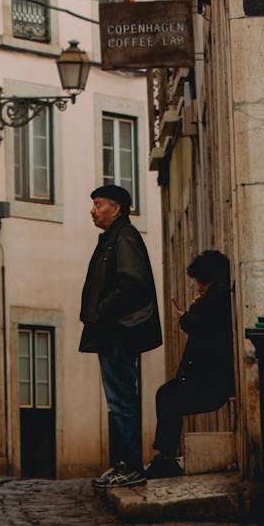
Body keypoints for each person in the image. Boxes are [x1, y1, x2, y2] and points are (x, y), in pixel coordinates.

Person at [79, 183, 162, 489]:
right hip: (112, 332)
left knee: (122, 399)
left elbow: (132, 283)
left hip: (118, 333)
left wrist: (102, 310)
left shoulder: (124, 238)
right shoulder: (114, 238)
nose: (93, 210)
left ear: (116, 208)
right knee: (119, 399)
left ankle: (130, 467)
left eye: (98, 204)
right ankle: (123, 464)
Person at [143, 248, 234, 480]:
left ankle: (165, 458)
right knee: (168, 396)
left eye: (201, 282)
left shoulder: (219, 299)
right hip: (207, 378)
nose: (198, 287)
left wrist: (185, 314)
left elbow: (202, 328)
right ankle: (165, 456)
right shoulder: (214, 299)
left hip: (212, 381)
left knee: (168, 397)